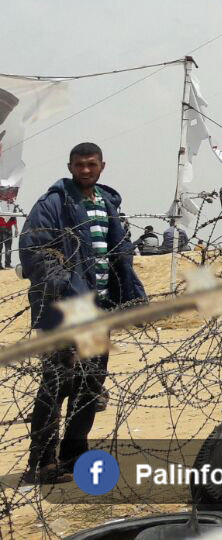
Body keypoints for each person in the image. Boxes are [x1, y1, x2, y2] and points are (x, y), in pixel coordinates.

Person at [19, 142, 147, 484]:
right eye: (79, 165)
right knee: (56, 385)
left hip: (99, 312)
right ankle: (41, 464)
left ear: (102, 166)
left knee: (89, 386)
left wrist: (129, 295)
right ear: (70, 167)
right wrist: (66, 286)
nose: (86, 170)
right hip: (65, 312)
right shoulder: (54, 203)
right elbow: (32, 249)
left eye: (91, 164)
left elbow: (118, 255)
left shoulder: (107, 204)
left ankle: (72, 458)